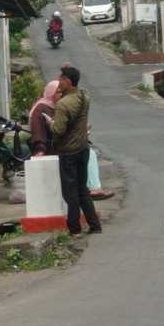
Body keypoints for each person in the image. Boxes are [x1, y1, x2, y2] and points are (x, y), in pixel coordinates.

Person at [50, 65, 102, 235]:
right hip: (82, 148)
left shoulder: (63, 104)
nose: (58, 83)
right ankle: (94, 225)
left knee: (70, 193)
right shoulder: (84, 96)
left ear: (67, 81)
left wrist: (51, 124)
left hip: (68, 152)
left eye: (61, 79)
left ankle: (74, 228)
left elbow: (58, 130)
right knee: (82, 190)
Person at [28, 79, 60, 156]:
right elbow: (37, 128)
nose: (61, 94)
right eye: (58, 92)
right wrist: (40, 149)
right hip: (48, 151)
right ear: (51, 93)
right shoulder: (41, 108)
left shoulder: (59, 106)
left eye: (62, 92)